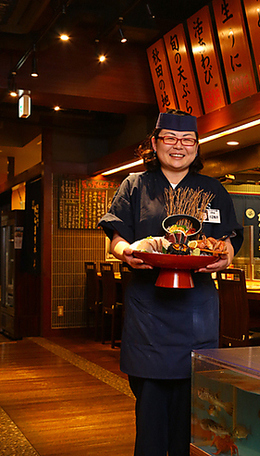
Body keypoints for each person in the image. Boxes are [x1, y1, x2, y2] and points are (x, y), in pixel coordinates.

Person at [98, 109, 244, 456]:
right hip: (149, 313)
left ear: (197, 146)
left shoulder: (213, 190)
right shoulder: (134, 185)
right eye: (170, 139)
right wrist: (125, 251)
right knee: (149, 410)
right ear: (155, 143)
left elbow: (229, 240)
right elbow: (117, 238)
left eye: (188, 140)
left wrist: (228, 253)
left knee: (189, 411)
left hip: (196, 311)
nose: (179, 147)